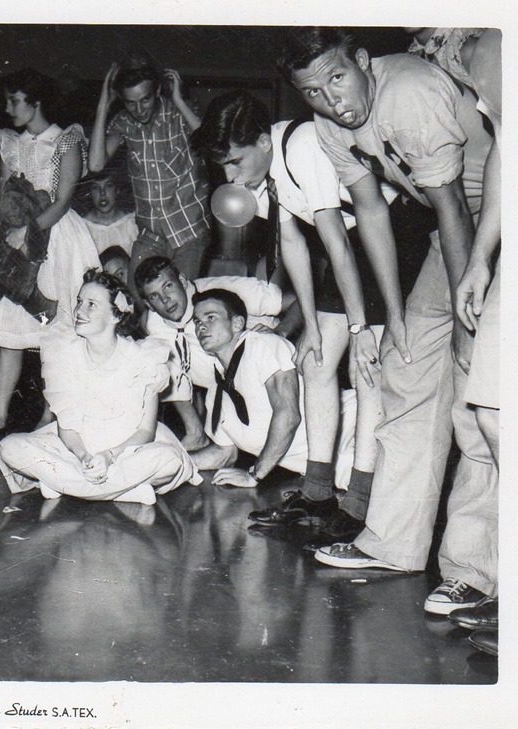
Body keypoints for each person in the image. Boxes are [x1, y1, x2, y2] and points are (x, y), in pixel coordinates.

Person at [277, 29, 496, 616]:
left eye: (338, 78)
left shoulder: (409, 91)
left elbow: (453, 204)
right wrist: (394, 315)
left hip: (495, 228)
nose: (332, 99)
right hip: (451, 235)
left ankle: (475, 571)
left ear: (363, 61)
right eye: (313, 91)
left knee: (478, 397)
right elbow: (371, 211)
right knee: (406, 366)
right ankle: (393, 542)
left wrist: (467, 326)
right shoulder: (330, 122)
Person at [188, 89, 427, 547]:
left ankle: (359, 500)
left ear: (263, 141)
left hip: (392, 233)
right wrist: (313, 328)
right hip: (349, 245)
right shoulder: (264, 175)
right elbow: (294, 243)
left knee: (366, 368)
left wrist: (358, 329)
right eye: (223, 166)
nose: (230, 176)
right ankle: (317, 492)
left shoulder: (301, 147)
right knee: (315, 362)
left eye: (235, 162)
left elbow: (335, 240)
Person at [409, 26, 502, 654]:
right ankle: (482, 576)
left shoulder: (492, 44)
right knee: (486, 414)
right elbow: (507, 153)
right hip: (493, 242)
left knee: (491, 417)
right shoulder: (459, 62)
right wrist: (480, 260)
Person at [0, 68, 101, 440]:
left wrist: (29, 231)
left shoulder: (66, 140)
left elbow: (63, 200)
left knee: (57, 333)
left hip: (55, 236)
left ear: (35, 101)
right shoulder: (10, 141)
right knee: (9, 333)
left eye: (15, 101)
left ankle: (50, 416)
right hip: (14, 235)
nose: (8, 109)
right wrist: (4, 235)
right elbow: (6, 195)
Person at [0, 270, 200, 504]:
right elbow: (66, 428)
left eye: (91, 304)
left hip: (127, 453)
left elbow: (146, 431)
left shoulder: (144, 358)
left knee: (170, 460)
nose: (79, 311)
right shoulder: (64, 354)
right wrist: (83, 457)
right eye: (79, 302)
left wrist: (109, 457)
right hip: (75, 452)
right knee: (8, 448)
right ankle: (126, 492)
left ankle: (63, 484)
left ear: (115, 316)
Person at [186, 289, 356, 489]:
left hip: (351, 435)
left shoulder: (263, 346)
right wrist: (176, 462)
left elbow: (288, 415)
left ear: (237, 323)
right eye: (197, 321)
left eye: (211, 317)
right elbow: (225, 452)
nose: (201, 326)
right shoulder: (216, 389)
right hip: (326, 469)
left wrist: (254, 475)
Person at [133, 255, 286, 451]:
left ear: (182, 281)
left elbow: (295, 302)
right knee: (157, 355)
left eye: (168, 286)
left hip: (273, 373)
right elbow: (176, 375)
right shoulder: (154, 326)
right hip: (230, 392)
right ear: (148, 304)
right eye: (154, 296)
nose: (165, 299)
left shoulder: (220, 291)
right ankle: (195, 433)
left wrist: (280, 334)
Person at [88, 60, 211, 281]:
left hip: (188, 231)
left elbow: (211, 146)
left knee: (177, 294)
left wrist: (179, 101)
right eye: (131, 103)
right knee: (134, 292)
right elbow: (96, 164)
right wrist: (103, 106)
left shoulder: (179, 113)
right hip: (150, 234)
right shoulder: (124, 122)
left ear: (157, 90)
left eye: (145, 99)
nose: (139, 110)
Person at [80, 169, 138, 255]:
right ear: (90, 193)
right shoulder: (82, 227)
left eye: (108, 186)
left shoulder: (132, 224)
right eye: (96, 187)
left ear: (117, 190)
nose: (102, 193)